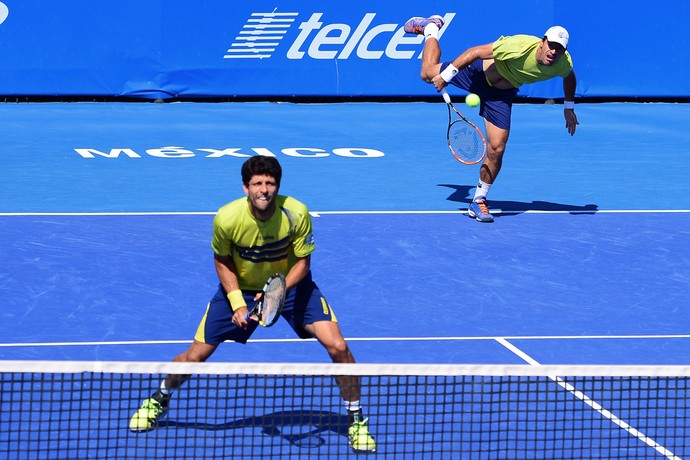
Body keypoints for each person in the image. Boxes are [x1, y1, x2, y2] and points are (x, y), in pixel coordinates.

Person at [129, 156, 376, 454]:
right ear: (246, 187)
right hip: (241, 289)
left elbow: (303, 262)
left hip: (290, 286)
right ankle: (159, 399)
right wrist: (236, 302)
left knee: (338, 346)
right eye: (257, 183)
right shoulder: (227, 218)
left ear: (277, 186)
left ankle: (356, 420)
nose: (264, 189)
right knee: (196, 354)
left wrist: (277, 293)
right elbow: (222, 261)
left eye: (270, 183)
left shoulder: (295, 213)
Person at [405, 16, 579, 222]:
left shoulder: (562, 63)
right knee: (426, 73)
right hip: (477, 73)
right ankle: (431, 29)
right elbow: (475, 52)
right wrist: (448, 75)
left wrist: (568, 107)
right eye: (551, 45)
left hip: (500, 96)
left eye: (559, 49)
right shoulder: (519, 46)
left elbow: (569, 77)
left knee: (497, 149)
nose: (553, 52)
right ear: (542, 42)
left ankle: (478, 200)